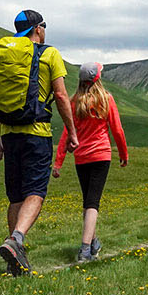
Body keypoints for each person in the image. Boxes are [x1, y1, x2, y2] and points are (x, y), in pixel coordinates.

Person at [0, 9, 78, 276]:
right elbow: (60, 96)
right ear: (38, 29)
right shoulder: (50, 54)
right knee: (35, 192)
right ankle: (16, 240)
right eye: (44, 26)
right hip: (36, 133)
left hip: (8, 133)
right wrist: (71, 132)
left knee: (15, 196)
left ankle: (14, 258)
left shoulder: (3, 57)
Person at [52, 62, 128, 263]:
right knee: (92, 203)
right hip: (101, 156)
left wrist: (58, 162)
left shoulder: (74, 102)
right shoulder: (106, 99)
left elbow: (66, 134)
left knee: (88, 201)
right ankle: (85, 249)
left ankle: (94, 243)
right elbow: (117, 130)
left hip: (81, 158)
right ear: (97, 79)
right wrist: (123, 154)